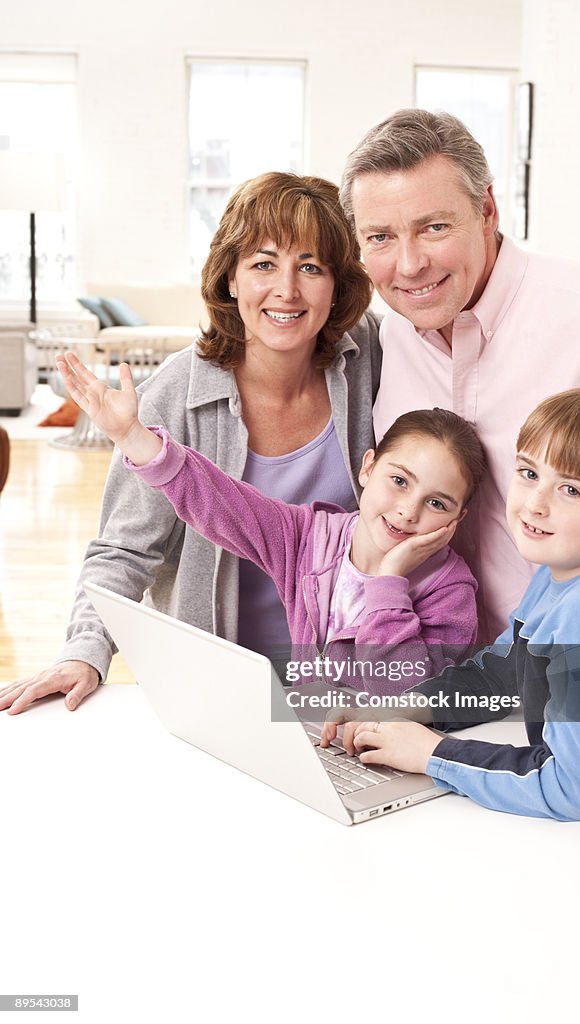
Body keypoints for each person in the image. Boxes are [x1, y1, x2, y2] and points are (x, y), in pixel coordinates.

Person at [0, 172, 381, 713]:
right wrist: (84, 651)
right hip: (218, 691)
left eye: (311, 267)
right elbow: (124, 551)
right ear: (230, 277)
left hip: (343, 691)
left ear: (338, 284)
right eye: (263, 263)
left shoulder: (369, 362)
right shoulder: (172, 396)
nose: (287, 290)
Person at [339, 108, 580, 700]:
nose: (410, 264)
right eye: (380, 238)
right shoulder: (393, 335)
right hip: (466, 686)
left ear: (488, 211)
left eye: (434, 227)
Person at [324, 387, 580, 936]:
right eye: (529, 473)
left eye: (570, 489)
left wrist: (433, 754)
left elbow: (571, 788)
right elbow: (503, 671)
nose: (535, 504)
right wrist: (406, 710)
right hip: (565, 853)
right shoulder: (569, 574)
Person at [57, 348, 484, 693]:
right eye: (399, 481)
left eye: (437, 504)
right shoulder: (307, 537)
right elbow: (220, 502)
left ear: (459, 517)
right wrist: (134, 436)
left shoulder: (450, 590)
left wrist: (389, 582)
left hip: (388, 763)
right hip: (308, 740)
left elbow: (405, 691)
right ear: (367, 467)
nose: (409, 511)